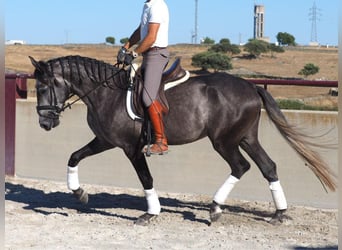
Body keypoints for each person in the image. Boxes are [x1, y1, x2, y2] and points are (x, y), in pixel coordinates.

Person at [117, 0, 170, 155]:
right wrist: (125, 47)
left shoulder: (158, 6)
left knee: (148, 97)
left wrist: (134, 54)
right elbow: (141, 31)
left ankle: (161, 141)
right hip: (148, 55)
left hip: (156, 54)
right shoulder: (147, 6)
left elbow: (151, 37)